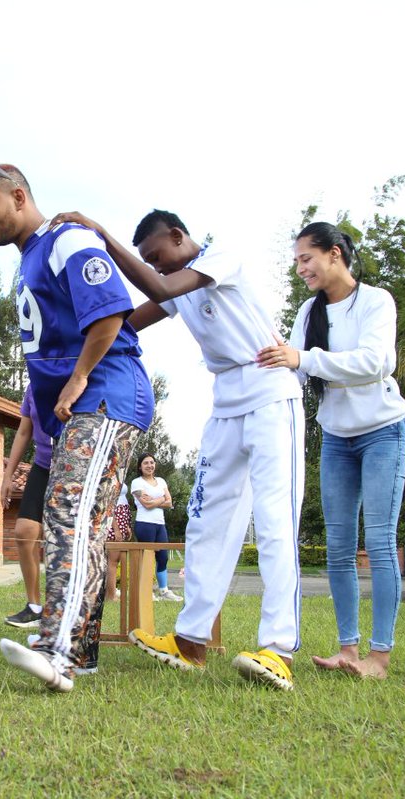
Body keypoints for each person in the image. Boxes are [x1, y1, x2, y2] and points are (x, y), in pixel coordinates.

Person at [51, 208, 303, 691]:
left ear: (179, 236)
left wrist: (102, 234)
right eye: (149, 261)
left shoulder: (219, 258)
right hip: (226, 401)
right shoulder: (177, 285)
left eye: (157, 256)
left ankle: (277, 650)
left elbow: (162, 289)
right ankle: (190, 642)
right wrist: (78, 327)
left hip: (272, 394)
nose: (156, 266)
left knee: (274, 521)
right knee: (206, 521)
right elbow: (127, 322)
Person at [0, 163, 153, 692]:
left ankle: (58, 650)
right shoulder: (29, 259)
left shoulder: (65, 239)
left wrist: (76, 381)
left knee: (68, 513)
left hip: (106, 392)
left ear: (19, 197)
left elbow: (110, 314)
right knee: (85, 525)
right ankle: (83, 650)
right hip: (83, 402)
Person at [256, 222, 405, 680]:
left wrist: (303, 358)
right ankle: (348, 651)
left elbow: (377, 362)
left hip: (384, 432)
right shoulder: (310, 310)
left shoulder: (376, 301)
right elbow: (294, 372)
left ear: (335, 254)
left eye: (307, 258)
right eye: (298, 260)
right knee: (338, 549)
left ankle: (379, 658)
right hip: (338, 439)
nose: (300, 267)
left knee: (380, 543)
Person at [0, 384, 53, 627]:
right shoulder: (34, 386)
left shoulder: (75, 373)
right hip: (42, 466)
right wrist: (8, 476)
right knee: (23, 531)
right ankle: (34, 606)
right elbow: (23, 432)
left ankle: (64, 609)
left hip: (74, 468)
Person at [130, 453, 181, 601]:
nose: (149, 465)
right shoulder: (137, 482)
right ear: (140, 466)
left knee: (163, 557)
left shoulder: (161, 481)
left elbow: (170, 502)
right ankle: (147, 591)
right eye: (146, 463)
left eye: (152, 462)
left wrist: (156, 501)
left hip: (160, 524)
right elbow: (146, 504)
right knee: (147, 558)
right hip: (145, 524)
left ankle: (164, 591)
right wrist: (162, 499)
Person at [105, 479, 132, 601]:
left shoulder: (120, 472)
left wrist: (126, 525)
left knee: (115, 561)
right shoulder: (110, 476)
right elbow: (109, 505)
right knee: (113, 561)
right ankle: (111, 595)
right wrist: (116, 528)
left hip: (122, 519)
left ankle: (110, 593)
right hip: (115, 522)